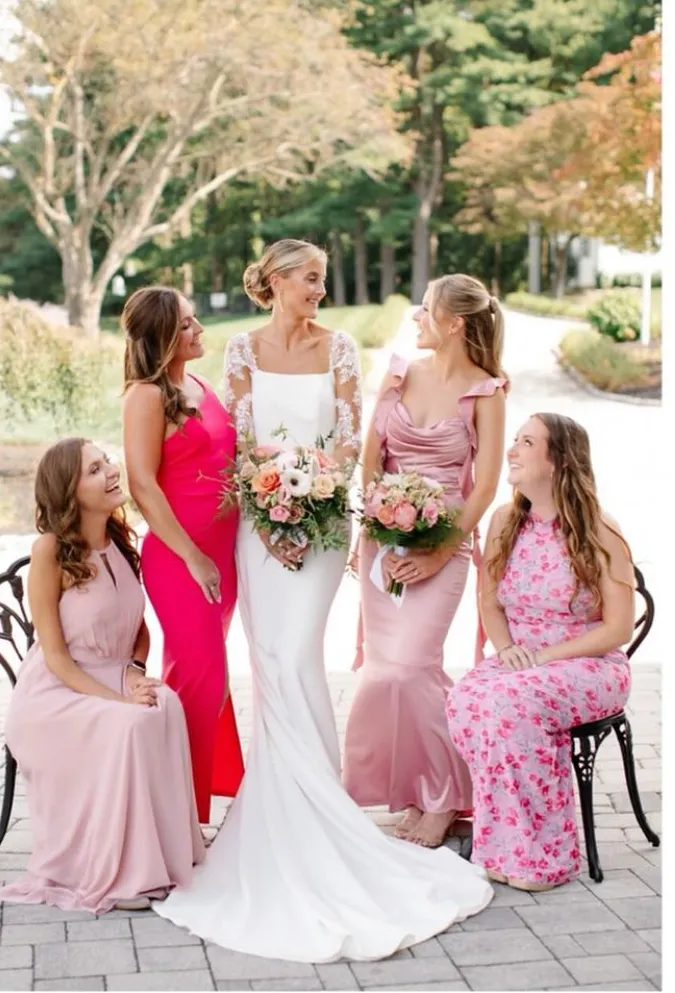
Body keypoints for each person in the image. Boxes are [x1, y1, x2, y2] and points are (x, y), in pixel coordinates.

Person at [154, 239, 492, 962]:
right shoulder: (239, 350)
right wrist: (268, 513)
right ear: (277, 280)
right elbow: (238, 445)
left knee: (299, 652)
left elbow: (346, 442)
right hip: (257, 528)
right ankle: (283, 811)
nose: (319, 289)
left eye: (323, 279)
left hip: (323, 525)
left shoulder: (339, 348)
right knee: (269, 659)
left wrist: (309, 498)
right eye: (310, 278)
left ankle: (322, 809)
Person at [0, 439, 204, 914]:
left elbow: (139, 630)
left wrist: (134, 675)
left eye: (106, 461)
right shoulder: (50, 551)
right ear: (69, 491)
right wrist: (117, 700)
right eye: (94, 469)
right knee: (130, 722)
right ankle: (121, 873)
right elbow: (55, 657)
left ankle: (164, 855)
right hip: (54, 693)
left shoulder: (120, 543)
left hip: (112, 676)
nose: (112, 471)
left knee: (165, 703)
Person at [343, 274, 507, 849]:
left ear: (454, 323)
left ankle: (446, 796)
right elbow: (371, 461)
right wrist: (377, 528)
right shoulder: (399, 374)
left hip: (445, 542)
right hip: (384, 542)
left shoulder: (486, 392)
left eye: (425, 309)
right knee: (385, 674)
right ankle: (415, 790)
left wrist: (437, 553)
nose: (415, 317)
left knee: (413, 668)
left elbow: (485, 487)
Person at [446, 413, 634, 891]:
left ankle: (542, 858)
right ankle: (501, 846)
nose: (511, 450)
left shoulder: (600, 531)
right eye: (515, 440)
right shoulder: (505, 521)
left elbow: (617, 628)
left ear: (558, 461)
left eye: (527, 443)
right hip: (523, 661)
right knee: (466, 698)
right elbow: (489, 602)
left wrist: (547, 658)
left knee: (513, 704)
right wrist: (506, 647)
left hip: (589, 664)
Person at [123, 286, 244, 825]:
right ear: (162, 336)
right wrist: (193, 557)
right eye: (188, 325)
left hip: (222, 557)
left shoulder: (199, 384)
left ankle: (193, 802)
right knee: (199, 679)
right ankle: (177, 817)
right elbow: (142, 486)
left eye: (196, 321)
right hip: (181, 560)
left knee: (208, 680)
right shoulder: (145, 396)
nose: (199, 331)